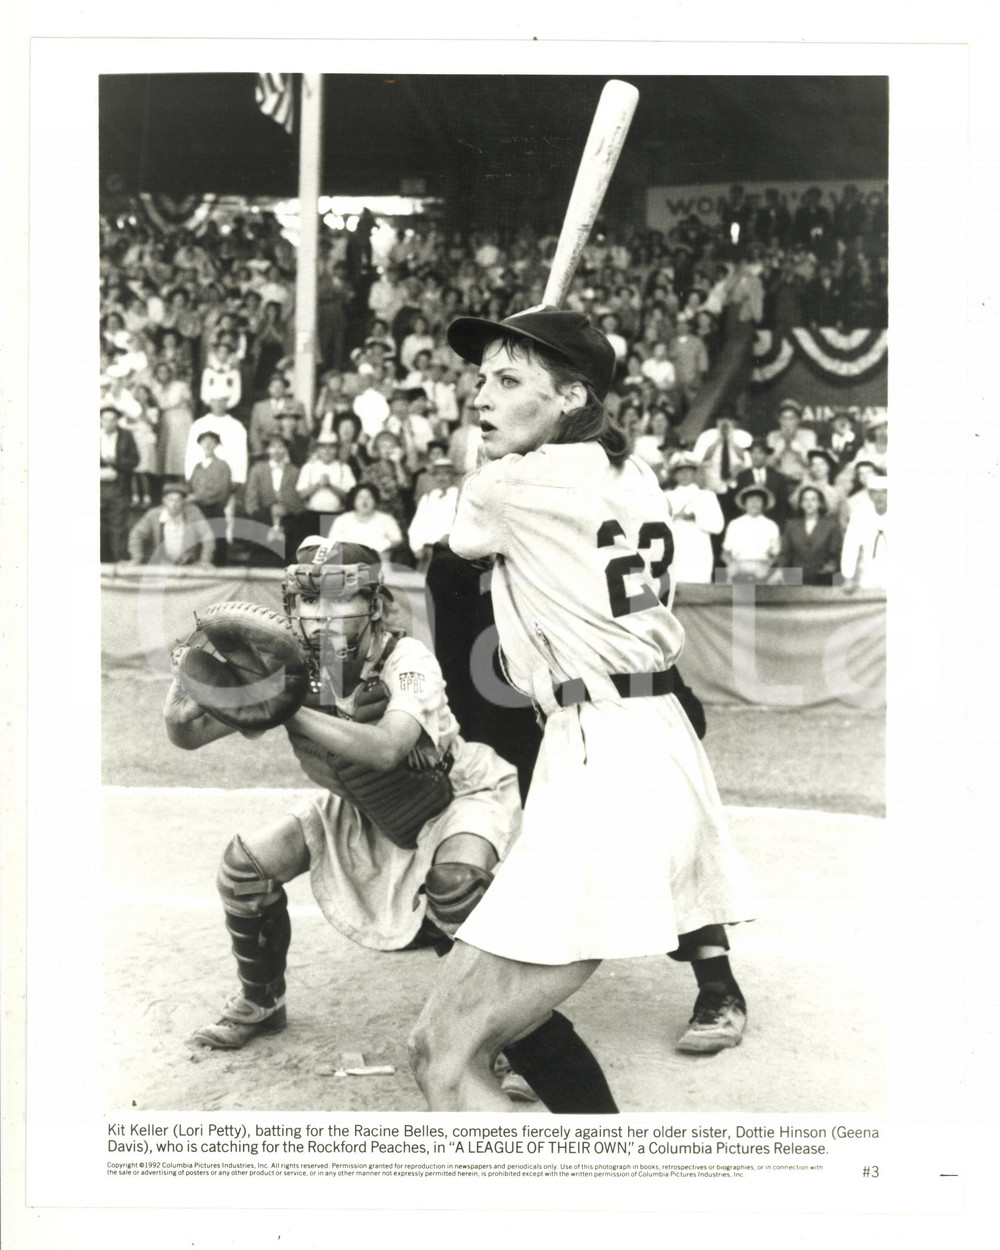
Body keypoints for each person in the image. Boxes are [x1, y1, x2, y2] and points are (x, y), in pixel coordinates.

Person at [409, 307, 759, 1112]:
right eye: (479, 378)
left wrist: (490, 456)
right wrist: (523, 406)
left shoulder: (510, 484)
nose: (478, 396)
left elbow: (461, 540)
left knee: (446, 1055)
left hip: (609, 751)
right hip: (639, 735)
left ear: (570, 396)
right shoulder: (627, 471)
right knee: (441, 1050)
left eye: (505, 381)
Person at [164, 540, 528, 1066]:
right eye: (310, 601)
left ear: (376, 605)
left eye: (339, 599)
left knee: (457, 889)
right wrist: (181, 701)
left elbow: (387, 748)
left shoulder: (406, 660)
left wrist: (285, 709)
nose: (322, 616)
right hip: (364, 808)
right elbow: (190, 737)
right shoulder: (288, 664)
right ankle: (261, 1000)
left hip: (451, 797)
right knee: (245, 870)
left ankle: (516, 1039)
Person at [661, 452, 724, 584]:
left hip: (699, 550)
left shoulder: (707, 496)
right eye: (680, 471)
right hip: (676, 551)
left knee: (699, 589)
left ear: (694, 472)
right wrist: (675, 517)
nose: (684, 474)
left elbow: (718, 526)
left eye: (688, 470)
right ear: (674, 474)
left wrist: (696, 517)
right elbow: (657, 528)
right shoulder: (666, 497)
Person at [127, 480, 215, 566]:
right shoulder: (154, 515)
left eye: (178, 500)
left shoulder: (193, 513)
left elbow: (208, 535)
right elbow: (136, 534)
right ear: (164, 500)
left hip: (187, 564)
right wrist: (136, 557)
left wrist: (205, 560)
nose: (174, 504)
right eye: (170, 499)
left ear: (184, 501)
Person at [780, 484, 842, 585]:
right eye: (805, 500)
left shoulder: (831, 525)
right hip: (795, 579)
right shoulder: (791, 525)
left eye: (813, 500)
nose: (809, 503)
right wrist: (780, 572)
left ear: (820, 503)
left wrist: (830, 566)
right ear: (800, 504)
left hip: (822, 578)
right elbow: (785, 554)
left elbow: (835, 553)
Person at [100, 405, 139, 563]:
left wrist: (116, 462)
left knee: (119, 525)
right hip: (97, 486)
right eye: (105, 420)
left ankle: (119, 559)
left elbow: (134, 460)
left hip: (119, 486)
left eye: (112, 420)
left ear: (117, 421)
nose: (109, 423)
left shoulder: (126, 436)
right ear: (100, 421)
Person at [328, 483, 405, 561]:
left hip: (379, 562)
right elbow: (332, 542)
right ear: (353, 501)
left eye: (369, 497)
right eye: (360, 497)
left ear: (375, 500)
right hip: (348, 563)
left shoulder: (386, 519)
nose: (364, 501)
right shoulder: (342, 519)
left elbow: (397, 540)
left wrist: (384, 548)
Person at [722, 485, 782, 582]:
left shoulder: (771, 525)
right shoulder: (734, 524)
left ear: (764, 503)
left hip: (762, 569)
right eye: (750, 500)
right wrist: (732, 565)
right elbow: (725, 553)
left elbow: (775, 554)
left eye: (758, 500)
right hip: (738, 567)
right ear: (744, 503)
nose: (754, 503)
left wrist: (766, 566)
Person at [840, 475, 888, 590]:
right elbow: (850, 547)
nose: (879, 496)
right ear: (870, 495)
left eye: (884, 492)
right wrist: (848, 577)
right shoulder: (860, 513)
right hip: (868, 574)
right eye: (875, 492)